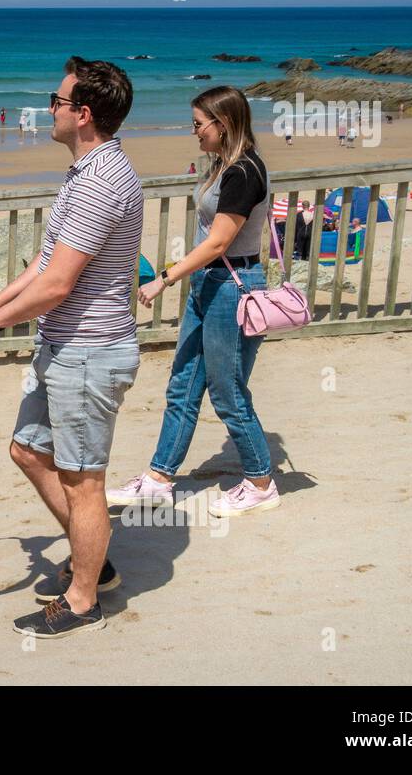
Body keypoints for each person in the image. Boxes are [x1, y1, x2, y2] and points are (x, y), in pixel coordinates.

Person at [0, 56, 142, 639]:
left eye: (57, 101)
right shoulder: (84, 173)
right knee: (27, 451)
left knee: (83, 480)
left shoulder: (100, 182)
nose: (49, 109)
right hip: (62, 346)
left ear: (83, 114)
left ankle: (85, 598)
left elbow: (60, 285)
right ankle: (95, 559)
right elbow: (45, 265)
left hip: (89, 352)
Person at [113, 85, 280, 518]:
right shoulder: (224, 167)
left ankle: (261, 481)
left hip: (234, 286)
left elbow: (219, 241)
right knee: (183, 384)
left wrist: (163, 279)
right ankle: (158, 479)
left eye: (198, 124)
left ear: (222, 125)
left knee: (227, 391)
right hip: (211, 283)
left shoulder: (244, 172)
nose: (194, 132)